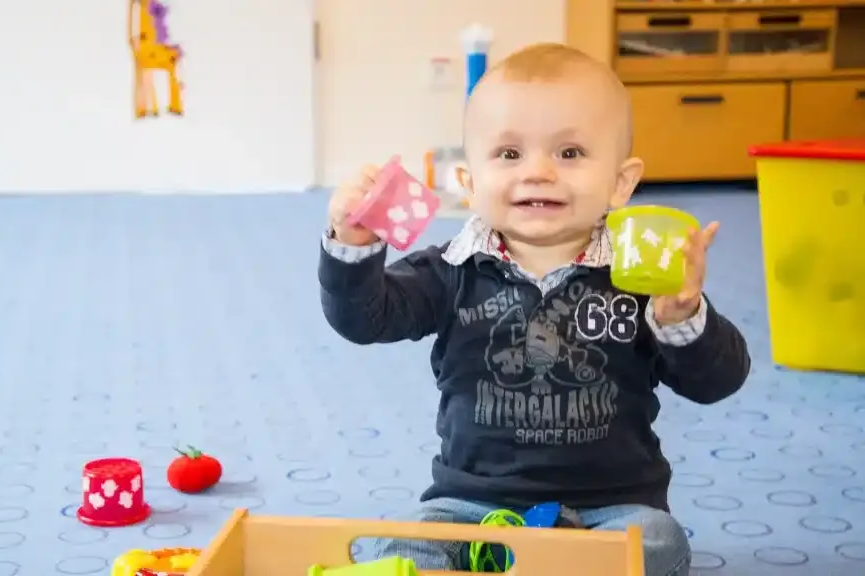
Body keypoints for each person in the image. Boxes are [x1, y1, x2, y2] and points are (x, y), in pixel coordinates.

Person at [317, 43, 751, 576]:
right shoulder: (448, 269)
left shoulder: (644, 277)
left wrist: (682, 317)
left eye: (569, 153)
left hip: (609, 506)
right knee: (401, 546)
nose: (539, 171)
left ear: (620, 182)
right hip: (469, 503)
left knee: (658, 543)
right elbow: (364, 318)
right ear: (470, 183)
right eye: (509, 154)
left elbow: (719, 381)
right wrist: (354, 245)